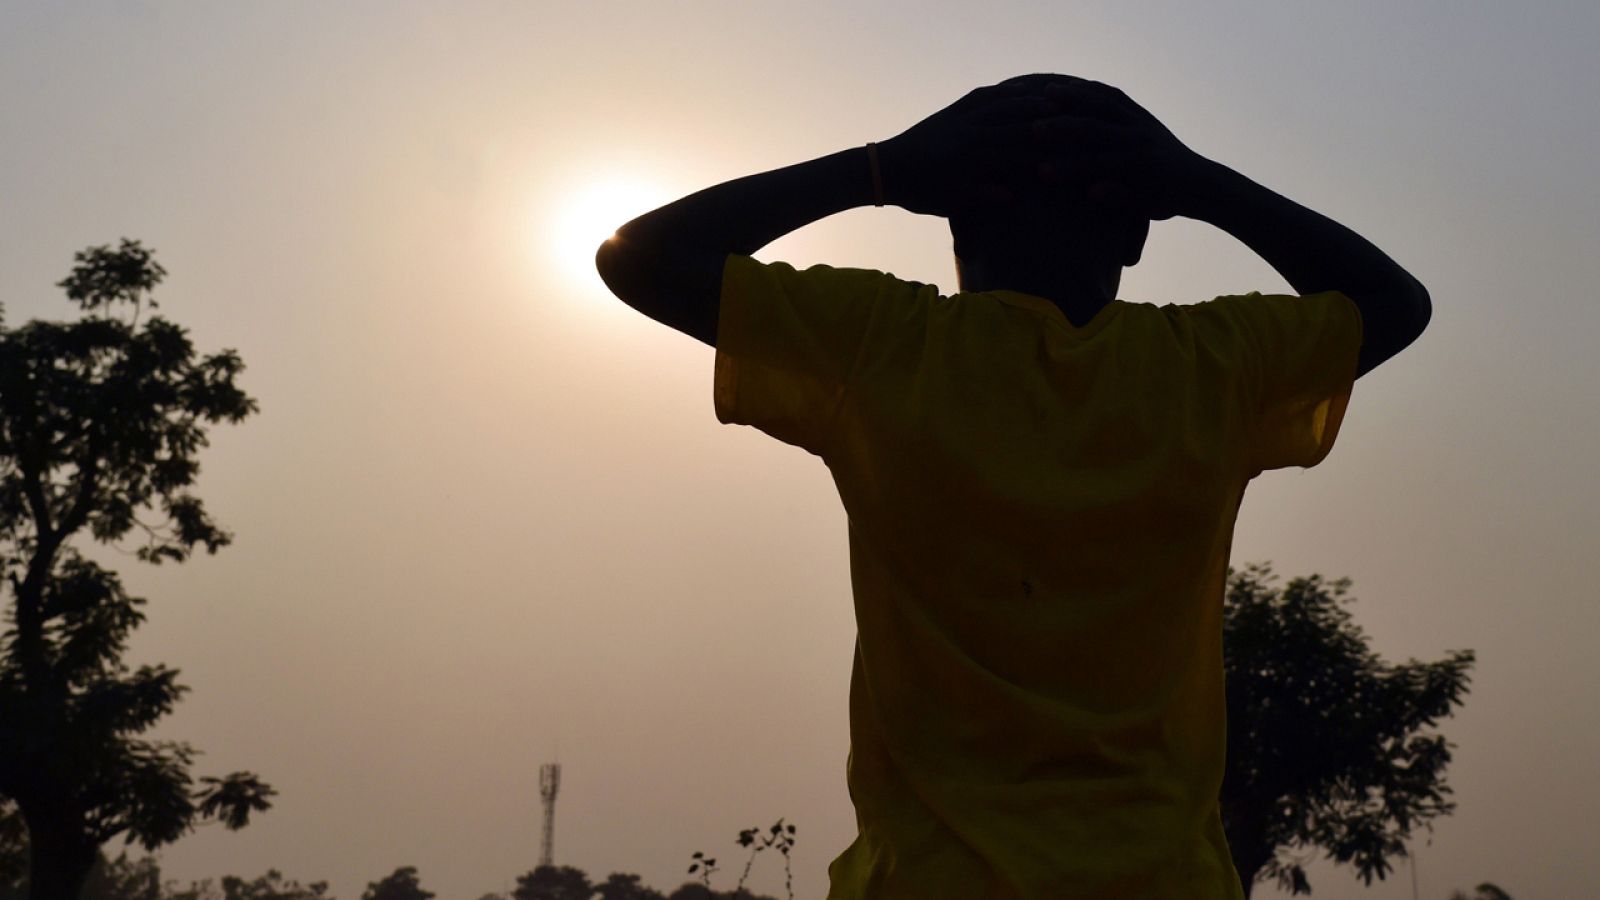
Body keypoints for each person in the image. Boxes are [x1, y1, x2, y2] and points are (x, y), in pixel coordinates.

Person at [594, 74, 1430, 900]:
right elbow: (1394, 302)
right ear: (1137, 234)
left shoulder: (883, 347)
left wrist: (879, 169)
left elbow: (640, 257)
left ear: (953, 218)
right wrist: (1198, 182)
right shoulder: (1211, 368)